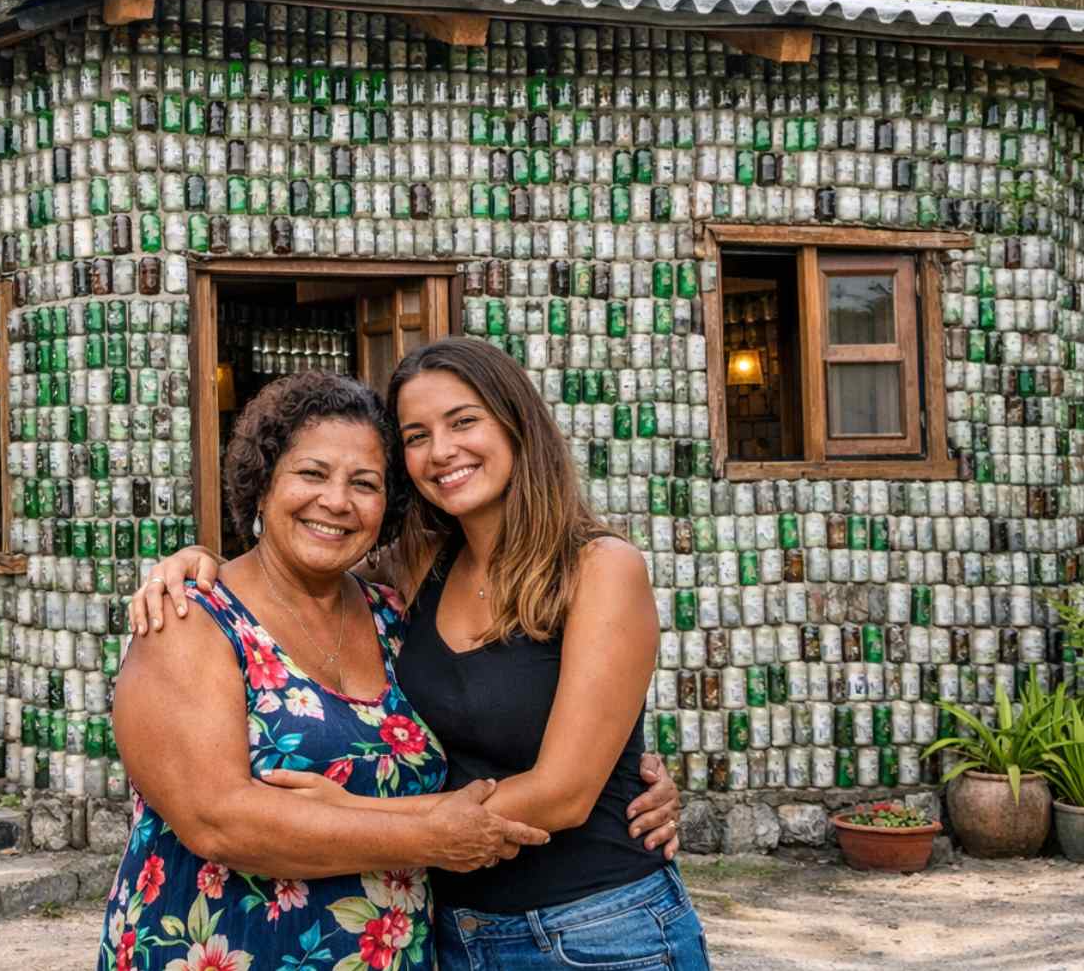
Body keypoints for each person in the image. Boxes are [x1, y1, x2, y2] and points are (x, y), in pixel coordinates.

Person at [129, 337, 707, 970]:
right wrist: (194, 562)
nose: (442, 451)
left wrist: (361, 816)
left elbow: (565, 792)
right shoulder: (418, 574)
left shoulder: (596, 568)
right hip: (454, 932)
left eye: (463, 422)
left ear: (517, 425)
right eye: (416, 435)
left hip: (596, 925)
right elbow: (294, 559)